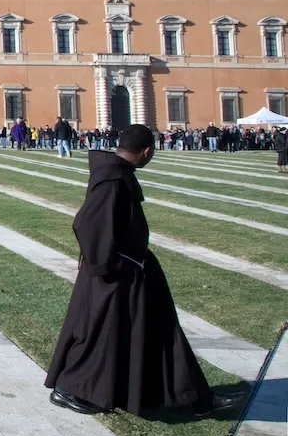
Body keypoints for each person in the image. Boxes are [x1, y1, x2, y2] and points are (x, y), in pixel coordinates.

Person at [46, 124, 243, 417]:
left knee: (147, 332)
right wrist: (108, 265)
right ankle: (72, 388)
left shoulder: (117, 175)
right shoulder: (112, 180)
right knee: (102, 334)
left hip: (127, 270)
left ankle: (191, 396)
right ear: (147, 152)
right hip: (114, 275)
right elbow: (86, 223)